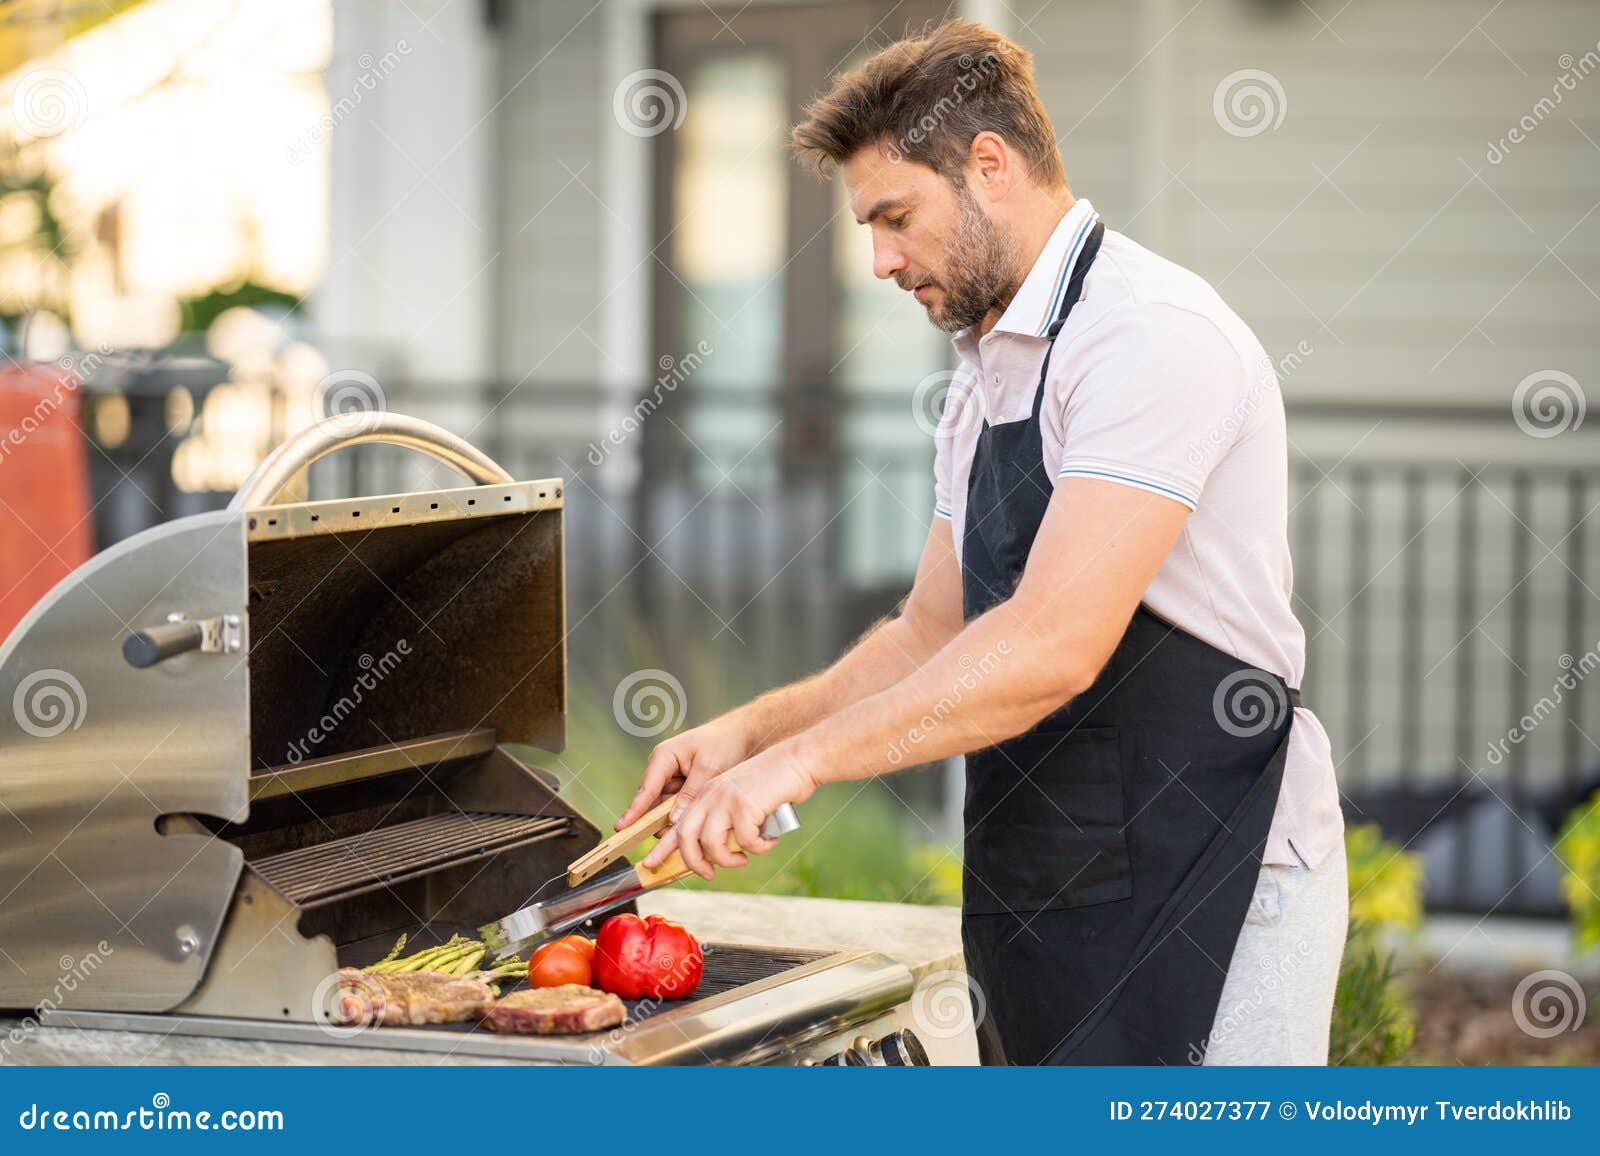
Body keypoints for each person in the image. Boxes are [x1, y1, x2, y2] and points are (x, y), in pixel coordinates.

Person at [619, 19, 1347, 1066]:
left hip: (1217, 877)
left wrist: (800, 767)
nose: (877, 260)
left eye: (895, 217)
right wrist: (751, 734)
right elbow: (931, 631)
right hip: (1058, 880)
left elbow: (1055, 640)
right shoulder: (988, 366)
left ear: (989, 167)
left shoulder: (1148, 336)